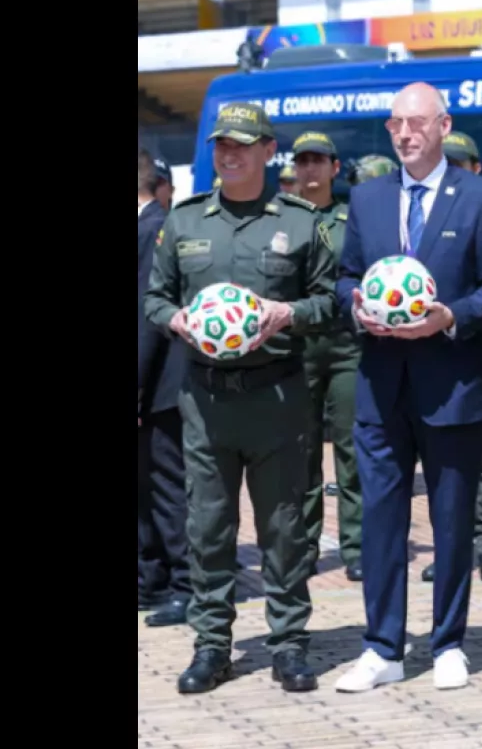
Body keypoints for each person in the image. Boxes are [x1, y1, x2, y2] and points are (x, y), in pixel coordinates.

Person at [143, 103, 338, 694]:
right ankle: (212, 646)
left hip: (277, 398)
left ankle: (289, 643)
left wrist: (288, 313)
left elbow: (331, 302)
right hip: (205, 400)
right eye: (221, 145)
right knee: (208, 528)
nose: (229, 154)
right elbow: (154, 299)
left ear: (268, 151)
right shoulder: (184, 221)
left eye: (242, 145)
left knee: (283, 528)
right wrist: (176, 320)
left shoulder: (301, 223)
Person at [332, 83, 482, 693]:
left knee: (452, 520)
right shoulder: (367, 198)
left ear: (443, 125)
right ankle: (382, 648)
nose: (405, 133)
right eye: (395, 124)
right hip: (381, 386)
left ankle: (448, 644)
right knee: (381, 521)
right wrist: (357, 306)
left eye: (416, 122)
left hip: (452, 386)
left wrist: (451, 316)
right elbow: (345, 278)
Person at [416, 131, 482, 584]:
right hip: (434, 329)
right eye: (448, 163)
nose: (453, 172)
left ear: (477, 169)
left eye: (461, 164)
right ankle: (449, 544)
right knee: (440, 444)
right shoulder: (426, 209)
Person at [291, 131, 364, 583]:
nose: (309, 169)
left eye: (318, 161)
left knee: (351, 446)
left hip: (345, 344)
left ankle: (357, 546)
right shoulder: (284, 217)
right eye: (302, 161)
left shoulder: (352, 218)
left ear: (335, 168)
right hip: (299, 345)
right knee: (300, 451)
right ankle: (303, 545)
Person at [139, 149, 191, 627]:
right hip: (151, 383)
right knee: (148, 487)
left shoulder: (153, 229)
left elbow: (147, 320)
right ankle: (151, 577)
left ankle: (186, 586)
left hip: (159, 382)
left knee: (168, 487)